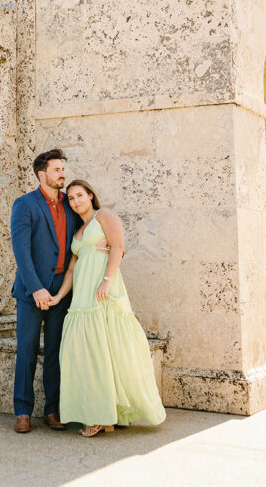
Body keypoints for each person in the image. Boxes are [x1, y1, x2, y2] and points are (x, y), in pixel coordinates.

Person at [50, 179, 166, 437]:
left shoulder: (105, 216)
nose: (76, 201)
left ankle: (101, 417)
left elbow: (118, 247)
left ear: (90, 195)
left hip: (104, 291)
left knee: (108, 350)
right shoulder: (79, 231)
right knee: (89, 354)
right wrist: (59, 297)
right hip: (82, 297)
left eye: (79, 195)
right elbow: (71, 268)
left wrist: (106, 281)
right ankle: (105, 413)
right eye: (71, 198)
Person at [10, 148, 76, 433]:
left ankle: (53, 410)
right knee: (26, 349)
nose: (62, 173)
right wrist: (36, 288)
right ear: (42, 174)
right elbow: (21, 251)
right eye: (57, 169)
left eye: (63, 169)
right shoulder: (25, 204)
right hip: (31, 291)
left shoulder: (71, 204)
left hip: (62, 290)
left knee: (55, 351)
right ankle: (22, 410)